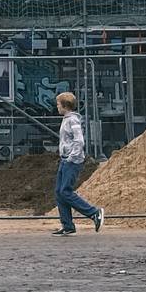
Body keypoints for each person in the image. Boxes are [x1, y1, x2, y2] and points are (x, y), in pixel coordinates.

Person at [51, 91, 104, 235]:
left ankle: (94, 213)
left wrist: (72, 156)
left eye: (58, 104)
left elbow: (79, 140)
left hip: (72, 161)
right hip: (66, 159)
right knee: (59, 192)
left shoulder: (72, 120)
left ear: (65, 105)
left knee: (65, 191)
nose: (57, 107)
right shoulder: (67, 118)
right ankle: (67, 226)